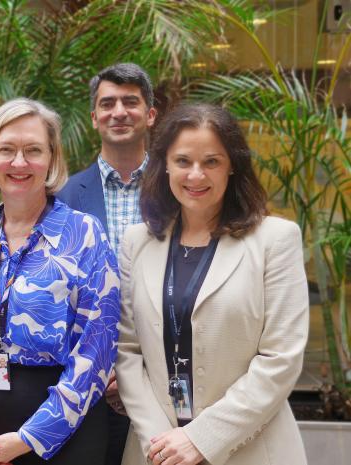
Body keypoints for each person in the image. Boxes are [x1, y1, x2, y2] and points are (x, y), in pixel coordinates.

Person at [116, 103, 308, 465]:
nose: (196, 175)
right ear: (165, 164)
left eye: (212, 162)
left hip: (251, 449)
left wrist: (201, 440)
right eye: (184, 161)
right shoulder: (137, 242)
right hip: (155, 452)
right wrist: (163, 443)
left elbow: (281, 359)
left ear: (232, 165)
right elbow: (127, 352)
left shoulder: (275, 240)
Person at [0, 98, 120, 465]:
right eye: (7, 150)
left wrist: (30, 438)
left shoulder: (83, 234)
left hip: (65, 439)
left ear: (52, 158)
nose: (19, 162)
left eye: (33, 150)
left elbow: (96, 351)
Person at [56, 63, 157, 465]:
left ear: (150, 114)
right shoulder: (61, 199)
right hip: (88, 386)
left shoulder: (180, 189)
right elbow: (56, 298)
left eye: (130, 102)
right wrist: (102, 370)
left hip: (164, 380)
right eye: (108, 103)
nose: (119, 112)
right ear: (94, 117)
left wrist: (140, 372)